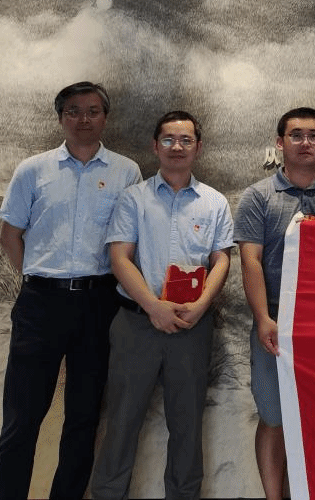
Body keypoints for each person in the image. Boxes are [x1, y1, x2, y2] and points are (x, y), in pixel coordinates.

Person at [0, 81, 141, 500]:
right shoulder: (32, 169)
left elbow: (128, 241)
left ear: (105, 117)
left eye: (93, 111)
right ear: (60, 118)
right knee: (22, 416)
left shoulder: (126, 171)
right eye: (73, 111)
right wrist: (40, 279)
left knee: (84, 416)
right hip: (41, 303)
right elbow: (10, 236)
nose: (83, 119)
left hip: (99, 302)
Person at [91, 110, 234, 500]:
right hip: (137, 324)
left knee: (187, 423)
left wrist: (201, 305)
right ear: (155, 146)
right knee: (122, 420)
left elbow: (222, 259)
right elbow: (120, 258)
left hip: (191, 325)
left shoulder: (214, 202)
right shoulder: (133, 198)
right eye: (169, 139)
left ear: (198, 148)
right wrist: (154, 306)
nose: (177, 147)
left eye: (186, 140)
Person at [235, 107, 315, 500]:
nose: (306, 143)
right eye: (296, 135)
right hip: (275, 325)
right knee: (274, 417)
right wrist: (263, 318)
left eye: (314, 136)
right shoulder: (258, 196)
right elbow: (250, 261)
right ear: (280, 142)